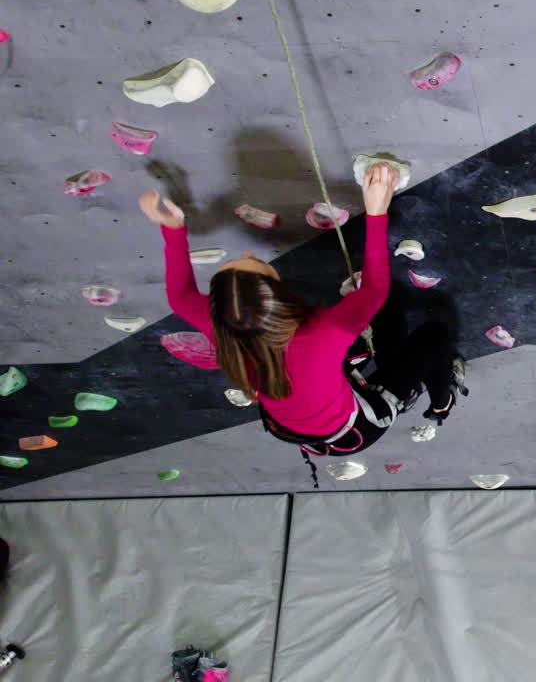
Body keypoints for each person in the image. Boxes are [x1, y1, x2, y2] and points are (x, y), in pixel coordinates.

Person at [141, 163, 464, 485]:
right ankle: (440, 402)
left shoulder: (225, 326)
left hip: (297, 421)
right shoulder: (325, 331)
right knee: (433, 336)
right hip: (356, 426)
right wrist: (376, 210)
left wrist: (172, 228)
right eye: (256, 263)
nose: (252, 252)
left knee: (389, 328)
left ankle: (392, 370)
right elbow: (374, 289)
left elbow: (180, 298)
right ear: (276, 294)